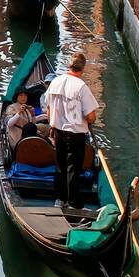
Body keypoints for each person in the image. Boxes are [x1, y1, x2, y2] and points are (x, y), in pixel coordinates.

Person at [46, 52, 100, 207]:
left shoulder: (55, 82)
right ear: (82, 69)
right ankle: (74, 202)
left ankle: (60, 199)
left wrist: (53, 125)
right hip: (75, 134)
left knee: (60, 166)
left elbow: (48, 109)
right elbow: (91, 117)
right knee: (73, 168)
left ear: (69, 66)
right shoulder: (81, 87)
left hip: (57, 131)